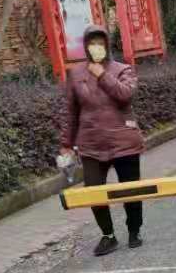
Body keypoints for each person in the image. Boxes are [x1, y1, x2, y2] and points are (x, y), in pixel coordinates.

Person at [59, 25, 144, 256]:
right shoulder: (76, 74)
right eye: (91, 43)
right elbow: (70, 112)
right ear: (85, 46)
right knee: (94, 191)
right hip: (91, 144)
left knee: (130, 190)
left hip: (124, 141)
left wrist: (102, 75)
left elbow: (125, 95)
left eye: (100, 42)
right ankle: (108, 235)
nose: (96, 47)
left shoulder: (123, 69)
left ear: (107, 45)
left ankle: (134, 230)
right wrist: (66, 144)